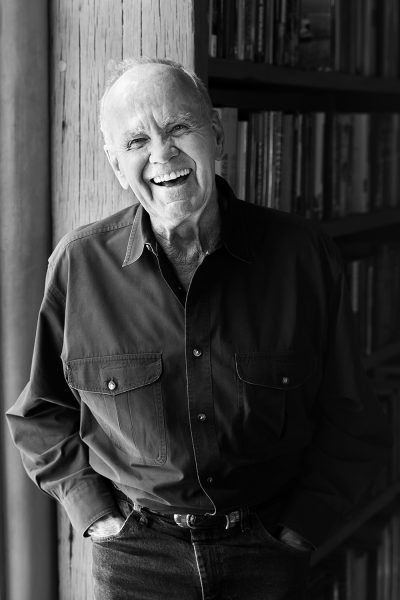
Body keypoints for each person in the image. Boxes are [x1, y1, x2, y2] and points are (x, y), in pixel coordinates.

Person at [6, 57, 391, 600]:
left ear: (217, 135)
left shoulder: (302, 255)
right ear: (118, 167)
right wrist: (96, 516)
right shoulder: (78, 265)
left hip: (270, 553)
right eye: (136, 141)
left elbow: (352, 416)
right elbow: (41, 415)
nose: (161, 154)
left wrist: (302, 529)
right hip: (136, 561)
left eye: (178, 128)